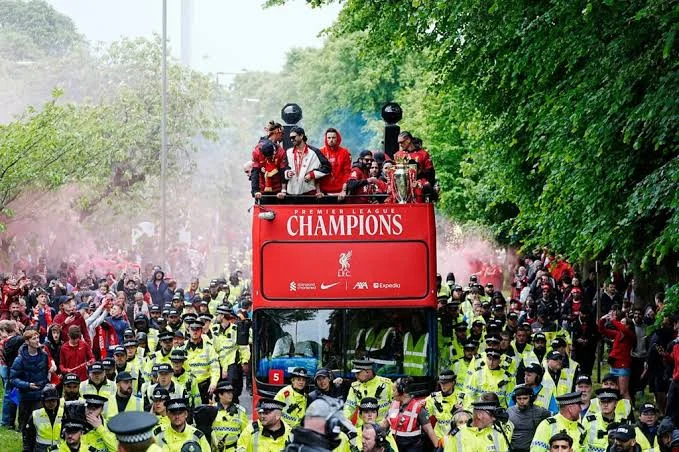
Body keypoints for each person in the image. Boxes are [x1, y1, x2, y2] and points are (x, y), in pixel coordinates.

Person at [11, 329, 49, 448]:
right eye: (34, 338)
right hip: (26, 396)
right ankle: (26, 446)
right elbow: (13, 378)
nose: (37, 340)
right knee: (25, 424)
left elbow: (46, 373)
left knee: (40, 423)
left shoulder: (44, 355)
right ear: (27, 341)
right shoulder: (20, 359)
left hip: (40, 395)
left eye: (38, 338)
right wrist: (27, 385)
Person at [386, 377, 438, 451]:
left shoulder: (418, 408)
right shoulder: (393, 405)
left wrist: (438, 447)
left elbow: (429, 430)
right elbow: (384, 424)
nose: (392, 393)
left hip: (412, 447)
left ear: (401, 391)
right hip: (395, 447)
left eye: (394, 390)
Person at [443, 395, 510, 452]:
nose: (494, 418)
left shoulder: (497, 435)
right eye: (491, 415)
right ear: (479, 415)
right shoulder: (457, 434)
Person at [599, 308, 635, 400]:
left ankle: (628, 408)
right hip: (614, 365)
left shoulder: (630, 335)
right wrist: (602, 320)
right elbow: (603, 330)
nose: (620, 324)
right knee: (614, 390)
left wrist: (613, 320)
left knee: (623, 392)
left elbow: (623, 329)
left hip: (623, 367)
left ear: (628, 326)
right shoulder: (617, 334)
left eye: (623, 322)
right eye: (620, 322)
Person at [284, 126, 330, 198]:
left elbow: (327, 167)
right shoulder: (288, 152)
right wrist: (287, 173)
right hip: (291, 192)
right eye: (290, 138)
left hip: (308, 192)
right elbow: (285, 167)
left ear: (301, 136)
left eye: (293, 137)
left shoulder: (314, 152)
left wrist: (312, 175)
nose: (291, 140)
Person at [343, 360, 392, 425]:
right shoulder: (355, 386)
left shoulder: (387, 384)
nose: (356, 376)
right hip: (361, 427)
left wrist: (388, 421)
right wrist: (344, 419)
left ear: (368, 372)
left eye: (358, 373)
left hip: (382, 426)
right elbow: (349, 406)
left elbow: (395, 405)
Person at [184, 318, 220, 404]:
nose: (195, 332)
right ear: (188, 330)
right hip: (186, 386)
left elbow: (215, 368)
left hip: (204, 386)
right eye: (192, 329)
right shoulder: (182, 347)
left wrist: (213, 383)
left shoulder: (209, 348)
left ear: (201, 331)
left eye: (197, 329)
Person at [507, 384, 551, 452]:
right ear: (515, 399)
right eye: (519, 398)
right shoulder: (509, 411)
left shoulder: (540, 412)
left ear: (531, 398)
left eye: (525, 398)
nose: (522, 402)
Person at [425, 369, 462, 443]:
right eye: (441, 383)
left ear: (453, 382)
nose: (443, 385)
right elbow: (425, 415)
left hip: (457, 438)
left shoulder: (461, 398)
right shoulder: (433, 398)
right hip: (439, 438)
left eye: (446, 383)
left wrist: (455, 413)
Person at [210, 380, 248, 450]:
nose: (231, 395)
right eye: (228, 393)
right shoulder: (211, 409)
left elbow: (246, 433)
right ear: (220, 394)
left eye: (231, 392)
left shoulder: (240, 411)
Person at [24, 384, 62, 452]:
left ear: (57, 400)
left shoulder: (64, 414)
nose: (51, 403)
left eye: (53, 400)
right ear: (43, 401)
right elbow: (29, 437)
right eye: (48, 401)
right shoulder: (35, 415)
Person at [318, 128, 352, 199]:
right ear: (326, 139)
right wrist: (318, 190)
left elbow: (347, 172)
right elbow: (317, 172)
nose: (331, 140)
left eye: (333, 137)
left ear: (337, 138)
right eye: (329, 138)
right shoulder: (321, 152)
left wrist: (343, 190)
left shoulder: (344, 152)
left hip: (340, 192)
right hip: (323, 192)